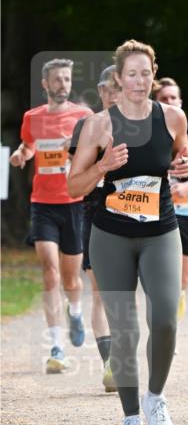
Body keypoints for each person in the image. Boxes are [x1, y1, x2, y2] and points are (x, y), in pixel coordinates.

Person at [67, 39, 188, 425]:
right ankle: (130, 418)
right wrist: (103, 165)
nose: (139, 81)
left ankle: (156, 400)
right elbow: (73, 186)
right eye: (131, 74)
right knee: (125, 331)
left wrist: (184, 165)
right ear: (118, 79)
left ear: (154, 76)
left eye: (146, 73)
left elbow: (177, 160)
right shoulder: (98, 125)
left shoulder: (173, 118)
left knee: (166, 319)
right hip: (111, 235)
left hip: (160, 232)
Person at [10, 58, 92, 373]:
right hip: (42, 203)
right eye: (56, 80)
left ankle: (74, 310)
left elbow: (94, 148)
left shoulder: (83, 115)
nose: (62, 84)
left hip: (74, 202)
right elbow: (28, 145)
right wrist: (21, 154)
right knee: (50, 271)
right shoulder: (32, 117)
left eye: (66, 79)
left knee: (72, 278)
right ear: (45, 84)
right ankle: (57, 346)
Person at [69, 65, 119, 391]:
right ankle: (111, 363)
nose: (116, 94)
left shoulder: (148, 124)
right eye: (109, 88)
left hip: (136, 214)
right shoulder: (86, 127)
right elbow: (77, 184)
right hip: (95, 211)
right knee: (101, 291)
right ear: (101, 92)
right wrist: (102, 167)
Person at [154, 77, 188, 324]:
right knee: (161, 272)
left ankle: (178, 299)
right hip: (156, 211)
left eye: (173, 97)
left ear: (180, 101)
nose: (169, 102)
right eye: (163, 98)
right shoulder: (147, 133)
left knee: (184, 277)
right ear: (156, 102)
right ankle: (167, 327)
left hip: (187, 211)